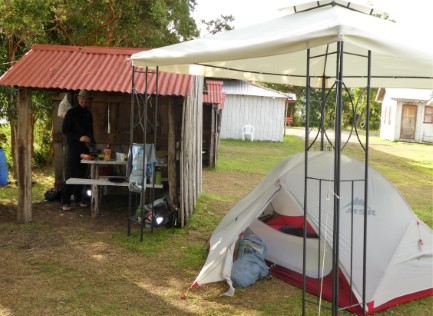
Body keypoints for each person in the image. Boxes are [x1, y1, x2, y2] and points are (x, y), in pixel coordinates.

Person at [61, 89, 95, 211]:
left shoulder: (88, 115)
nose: (84, 100)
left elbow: (91, 132)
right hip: (74, 148)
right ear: (78, 98)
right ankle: (65, 201)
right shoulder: (71, 113)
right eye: (82, 98)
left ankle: (78, 199)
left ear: (88, 101)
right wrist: (79, 137)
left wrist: (92, 144)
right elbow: (65, 130)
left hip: (85, 149)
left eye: (86, 99)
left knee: (82, 174)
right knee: (70, 174)